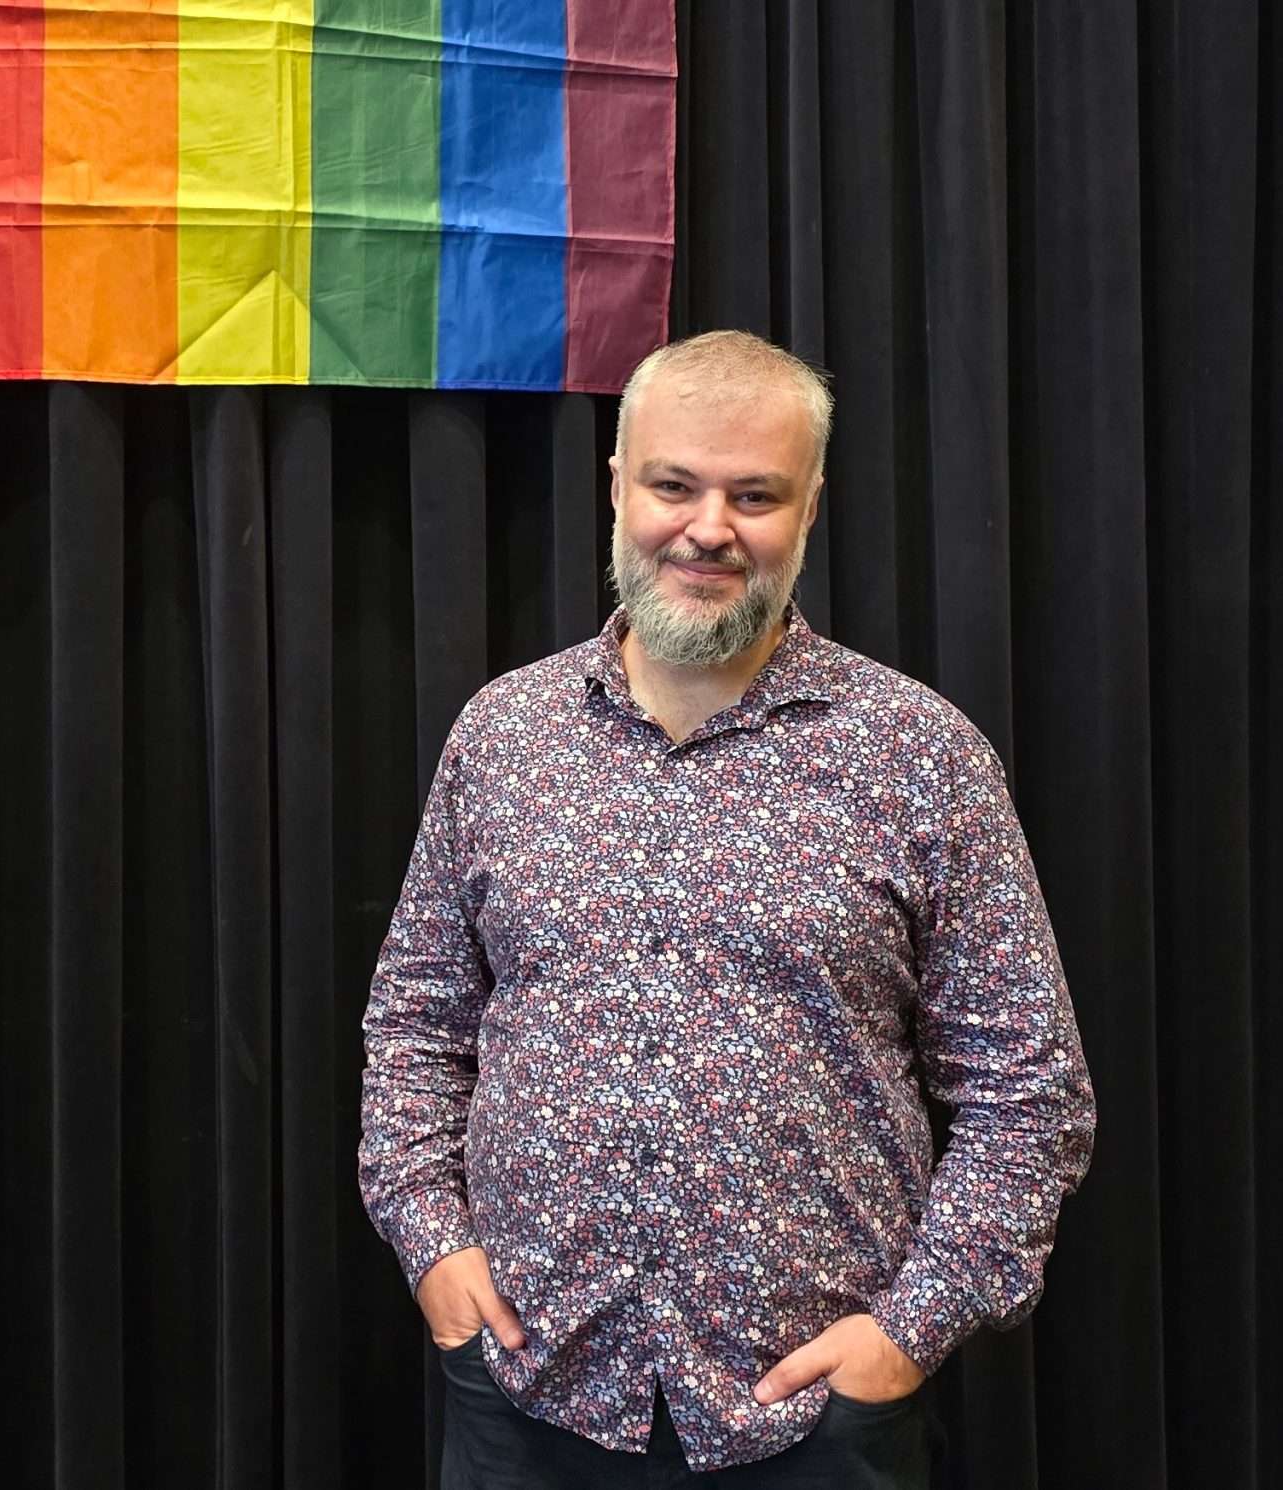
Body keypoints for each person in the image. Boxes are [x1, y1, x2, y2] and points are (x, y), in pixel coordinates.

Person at [358, 331, 1096, 1488]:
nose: (709, 528)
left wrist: (906, 1335)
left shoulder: (919, 754)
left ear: (809, 507)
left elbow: (1028, 1092)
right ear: (617, 485)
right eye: (675, 485)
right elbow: (417, 1025)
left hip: (813, 1425)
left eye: (755, 495)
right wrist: (432, 1242)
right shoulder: (501, 736)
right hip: (525, 1392)